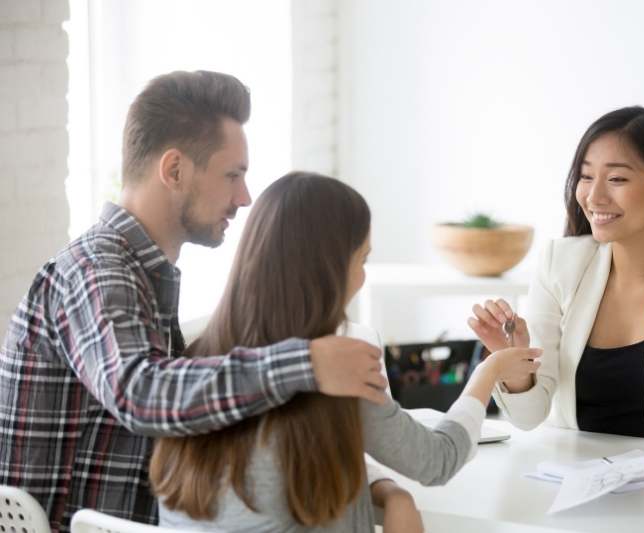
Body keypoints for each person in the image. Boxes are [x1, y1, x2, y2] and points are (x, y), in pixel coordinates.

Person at [0, 71, 388, 531]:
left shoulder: (141, 275)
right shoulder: (96, 271)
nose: (245, 197)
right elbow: (140, 392)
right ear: (175, 170)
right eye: (233, 175)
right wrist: (306, 363)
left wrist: (383, 487)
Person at [150, 172, 539, 532]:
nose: (364, 275)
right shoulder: (338, 370)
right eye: (362, 259)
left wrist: (387, 490)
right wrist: (489, 371)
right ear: (329, 271)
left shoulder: (193, 364)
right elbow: (436, 461)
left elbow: (282, 483)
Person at [469, 106, 644, 480]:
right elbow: (529, 417)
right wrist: (512, 362)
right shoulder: (560, 262)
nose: (594, 196)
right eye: (586, 177)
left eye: (617, 178)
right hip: (575, 484)